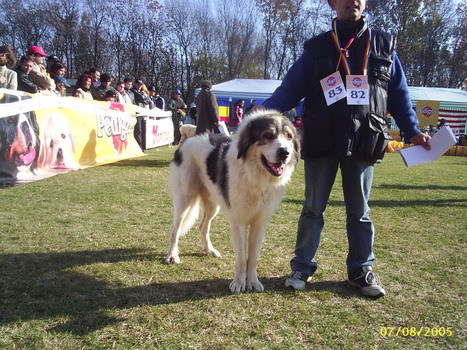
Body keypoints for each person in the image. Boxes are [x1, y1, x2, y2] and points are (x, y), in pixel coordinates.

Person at [262, 0, 431, 298]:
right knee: (313, 208)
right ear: (332, 3)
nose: (352, 0)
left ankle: (361, 270)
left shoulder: (382, 44)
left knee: (359, 211)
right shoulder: (316, 47)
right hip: (321, 138)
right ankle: (301, 267)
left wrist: (413, 130)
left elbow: (399, 94)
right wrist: (259, 116)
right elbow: (289, 89)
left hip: (366, 137)